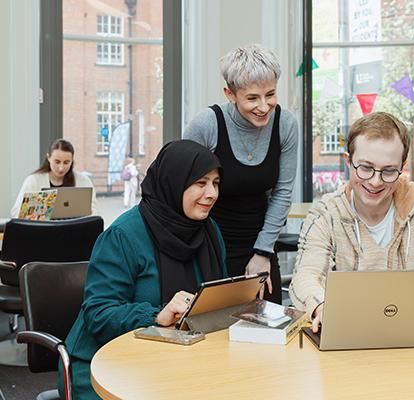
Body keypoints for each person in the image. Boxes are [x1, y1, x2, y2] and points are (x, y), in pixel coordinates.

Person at [59, 140, 227, 399]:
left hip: (179, 361)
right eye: (201, 183)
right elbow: (99, 314)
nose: (212, 193)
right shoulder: (122, 235)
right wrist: (157, 316)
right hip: (103, 367)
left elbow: (215, 300)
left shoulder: (209, 231)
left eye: (215, 183)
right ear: (174, 182)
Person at [289, 112, 414, 332]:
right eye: (365, 167)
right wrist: (323, 307)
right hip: (346, 338)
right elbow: (305, 279)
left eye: (389, 171)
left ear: (402, 167)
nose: (375, 181)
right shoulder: (326, 213)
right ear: (348, 162)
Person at [183, 43, 298, 304]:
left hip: (261, 243)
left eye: (270, 94)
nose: (264, 106)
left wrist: (263, 252)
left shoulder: (286, 124)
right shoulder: (206, 125)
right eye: (252, 98)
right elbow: (182, 189)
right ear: (230, 93)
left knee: (267, 329)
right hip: (207, 243)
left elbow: (283, 192)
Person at [10, 138, 97, 217]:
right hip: (41, 231)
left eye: (66, 162)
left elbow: (94, 213)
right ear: (49, 158)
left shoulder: (83, 181)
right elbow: (16, 212)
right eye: (57, 162)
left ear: (72, 161)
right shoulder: (33, 181)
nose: (61, 168)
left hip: (74, 231)